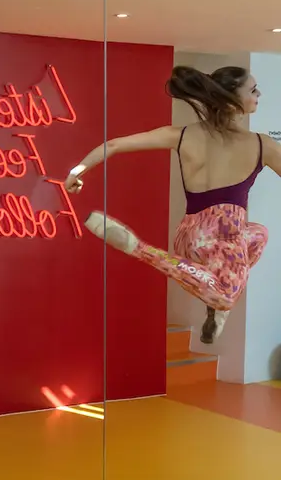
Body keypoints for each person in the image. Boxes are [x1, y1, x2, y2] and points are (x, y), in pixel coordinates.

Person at [65, 65, 280, 345]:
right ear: (230, 99)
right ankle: (142, 250)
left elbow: (114, 145)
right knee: (228, 295)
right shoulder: (262, 144)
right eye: (252, 89)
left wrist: (76, 171)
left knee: (259, 234)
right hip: (223, 239)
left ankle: (214, 300)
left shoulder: (181, 135)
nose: (258, 93)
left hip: (188, 237)